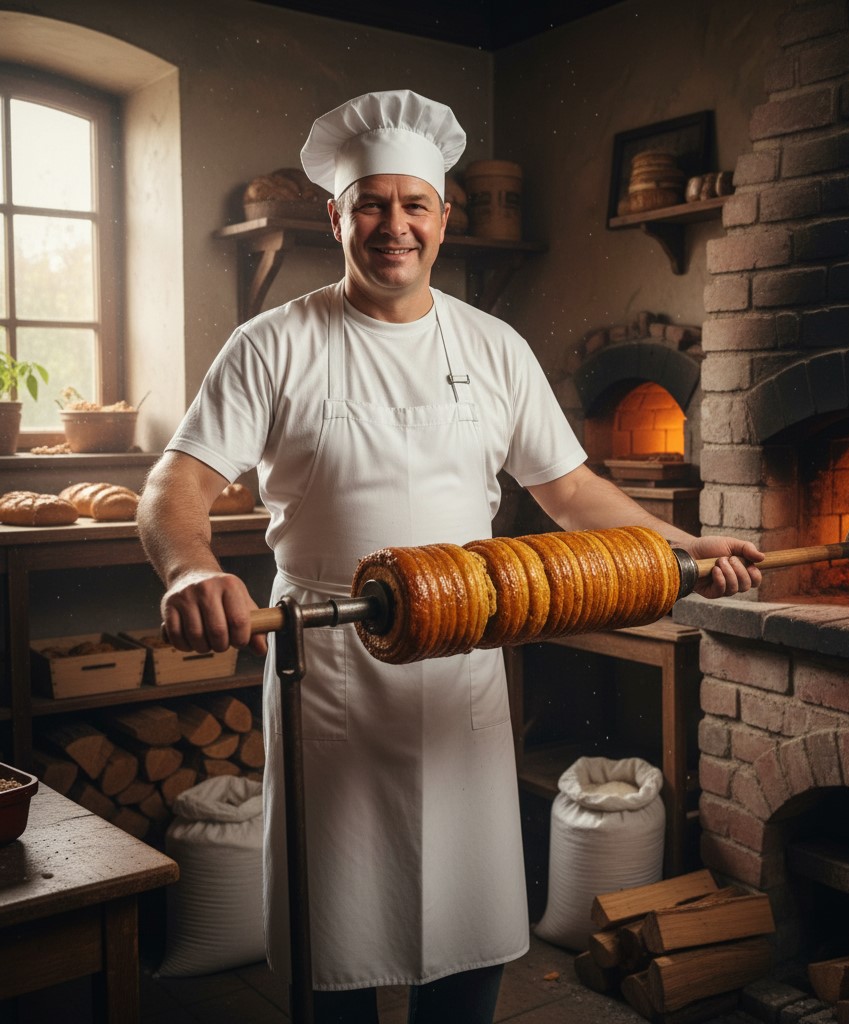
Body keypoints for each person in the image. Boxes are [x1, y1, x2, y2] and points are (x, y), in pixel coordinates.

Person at [137, 89, 763, 1024]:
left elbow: (570, 491)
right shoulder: (272, 344)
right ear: (339, 215)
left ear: (441, 218)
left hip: (465, 654)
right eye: (373, 205)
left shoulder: (493, 346)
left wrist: (681, 547)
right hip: (329, 656)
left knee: (466, 920)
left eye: (414, 204)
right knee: (332, 928)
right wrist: (191, 568)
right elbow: (173, 488)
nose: (395, 226)